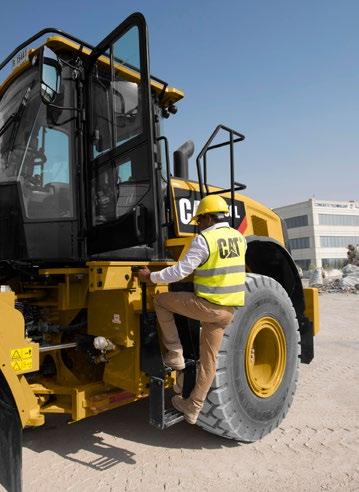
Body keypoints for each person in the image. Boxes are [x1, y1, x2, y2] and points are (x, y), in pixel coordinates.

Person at [138, 195, 246, 424]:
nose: (198, 224)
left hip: (207, 307)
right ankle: (193, 408)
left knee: (161, 301)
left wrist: (152, 277)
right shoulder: (239, 238)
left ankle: (175, 353)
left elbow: (179, 272)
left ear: (208, 217)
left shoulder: (204, 239)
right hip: (228, 311)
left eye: (200, 220)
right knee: (209, 363)